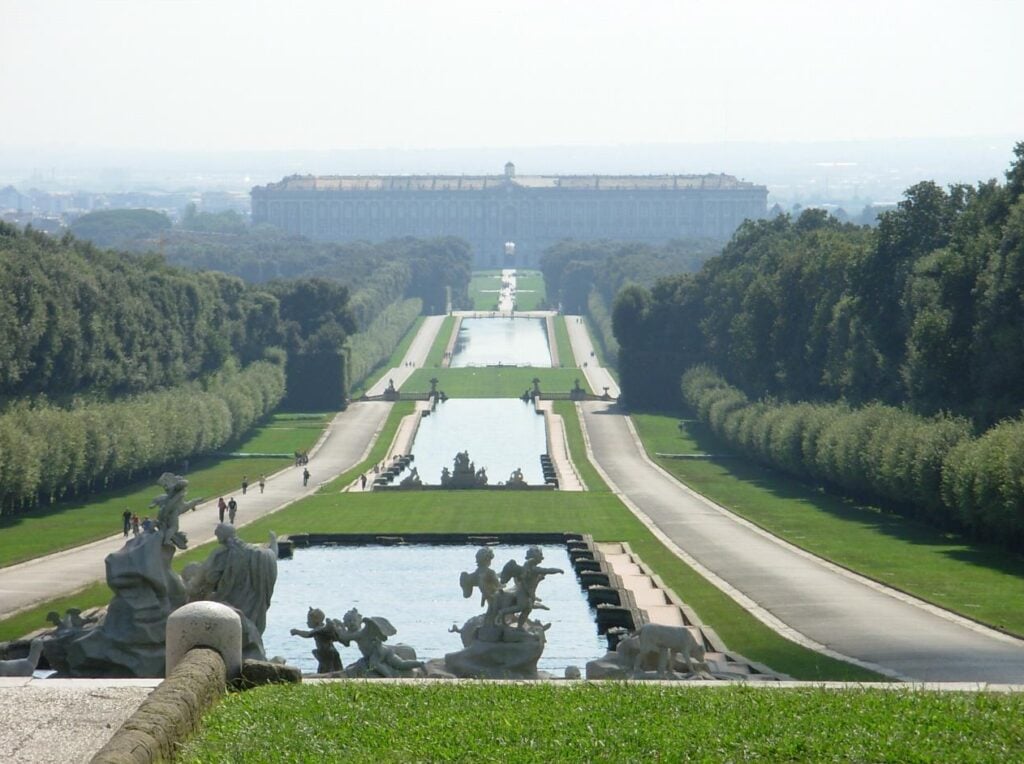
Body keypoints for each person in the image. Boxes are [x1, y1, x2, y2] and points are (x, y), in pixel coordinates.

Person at [290, 607, 342, 674]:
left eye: (309, 620)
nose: (307, 622)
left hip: (328, 653)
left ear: (316, 620)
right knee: (325, 668)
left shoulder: (320, 629)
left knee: (328, 670)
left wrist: (297, 632)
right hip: (326, 652)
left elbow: (308, 634)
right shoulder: (322, 628)